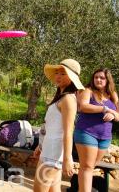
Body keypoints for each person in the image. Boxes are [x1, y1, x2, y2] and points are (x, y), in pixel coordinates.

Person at [33, 59, 84, 192]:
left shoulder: (68, 99)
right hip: (50, 150)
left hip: (53, 154)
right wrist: (41, 146)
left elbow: (68, 132)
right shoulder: (61, 97)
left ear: (72, 78)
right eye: (57, 72)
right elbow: (51, 127)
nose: (58, 76)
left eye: (63, 73)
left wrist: (68, 159)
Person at [74, 68, 119, 192]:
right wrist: (104, 109)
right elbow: (83, 106)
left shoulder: (113, 95)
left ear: (108, 80)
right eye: (96, 77)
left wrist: (113, 115)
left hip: (105, 137)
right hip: (86, 133)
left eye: (102, 78)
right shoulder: (87, 91)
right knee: (87, 167)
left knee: (88, 168)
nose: (98, 80)